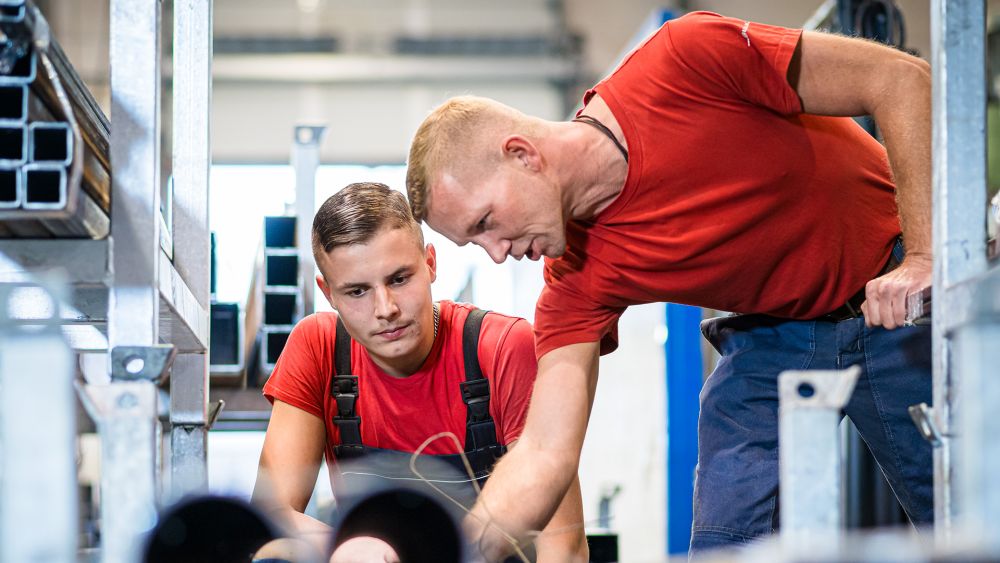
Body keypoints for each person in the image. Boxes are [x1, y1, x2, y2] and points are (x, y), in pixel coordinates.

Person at [405, 10, 933, 559]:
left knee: (968, 516)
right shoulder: (573, 281)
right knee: (723, 545)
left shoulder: (686, 60)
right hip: (773, 338)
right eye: (475, 242)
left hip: (892, 298)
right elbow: (543, 454)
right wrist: (445, 551)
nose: (496, 254)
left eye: (486, 223)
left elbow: (899, 79)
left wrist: (922, 255)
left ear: (522, 154)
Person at [251, 182, 588, 562]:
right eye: (357, 291)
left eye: (399, 279)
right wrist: (350, 545)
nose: (386, 308)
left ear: (430, 263)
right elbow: (269, 518)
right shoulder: (319, 348)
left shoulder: (503, 348)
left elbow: (565, 548)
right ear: (328, 293)